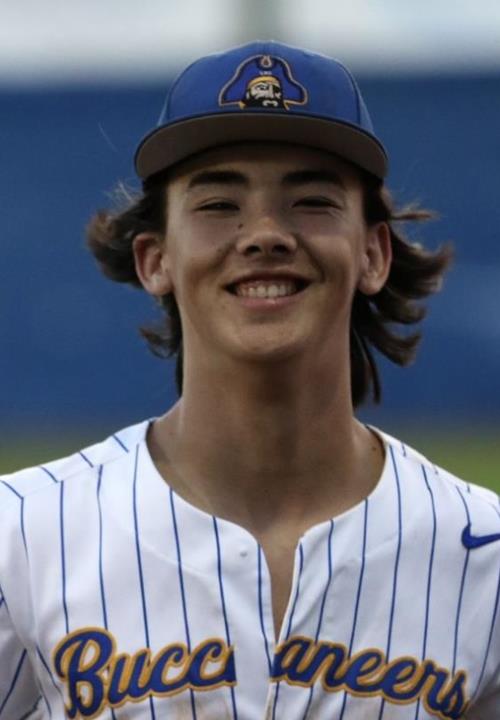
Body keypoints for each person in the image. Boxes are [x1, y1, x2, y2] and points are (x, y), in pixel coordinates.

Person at [1, 40, 499, 720]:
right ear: (154, 258)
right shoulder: (24, 536)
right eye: (218, 204)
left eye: (312, 201)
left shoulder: (483, 556)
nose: (265, 233)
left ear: (373, 253)